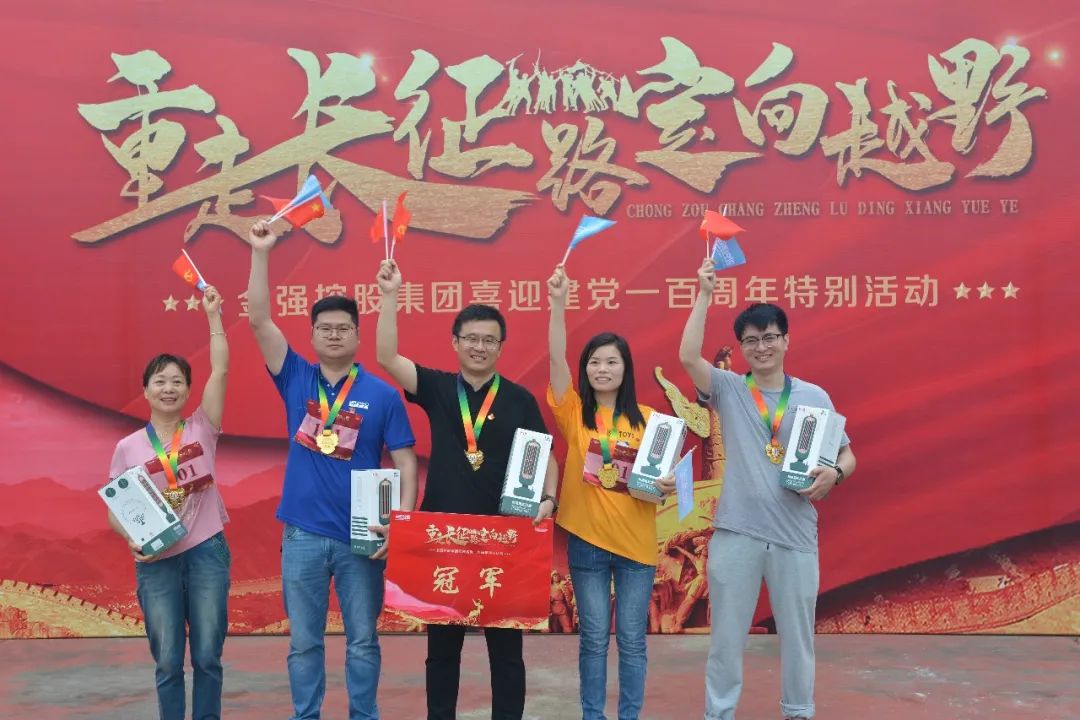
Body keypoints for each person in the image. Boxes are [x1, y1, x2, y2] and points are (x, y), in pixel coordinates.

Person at [246, 220, 418, 720]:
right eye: (326, 328)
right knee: (304, 643)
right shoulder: (295, 377)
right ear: (314, 334)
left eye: (344, 328)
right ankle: (307, 714)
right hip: (302, 534)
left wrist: (402, 522)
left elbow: (405, 460)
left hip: (362, 538)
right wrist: (261, 253)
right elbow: (258, 320)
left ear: (358, 335)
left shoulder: (383, 395)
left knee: (363, 640)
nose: (335, 334)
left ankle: (364, 714)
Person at [375, 258, 559, 720]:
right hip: (445, 539)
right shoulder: (437, 388)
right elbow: (387, 357)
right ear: (455, 342)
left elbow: (547, 457)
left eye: (489, 340)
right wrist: (391, 296)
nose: (480, 347)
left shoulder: (519, 399)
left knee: (507, 652)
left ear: (501, 346)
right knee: (442, 651)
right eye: (471, 338)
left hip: (503, 541)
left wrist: (549, 499)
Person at [679, 258, 856, 720]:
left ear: (786, 340)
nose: (761, 347)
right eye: (751, 340)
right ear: (741, 347)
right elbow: (688, 357)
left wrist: (835, 475)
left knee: (797, 636)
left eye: (770, 337)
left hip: (795, 536)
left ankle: (798, 711)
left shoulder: (814, 397)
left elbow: (847, 454)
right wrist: (704, 294)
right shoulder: (728, 389)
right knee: (726, 638)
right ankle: (719, 713)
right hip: (737, 534)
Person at [546, 264, 673, 720]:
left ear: (625, 368)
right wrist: (558, 304)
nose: (602, 369)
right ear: (586, 369)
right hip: (588, 543)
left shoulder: (649, 420)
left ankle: (629, 715)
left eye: (611, 361)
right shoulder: (573, 412)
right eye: (595, 362)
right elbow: (556, 361)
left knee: (633, 641)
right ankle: (592, 715)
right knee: (595, 639)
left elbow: (660, 482)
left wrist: (666, 484)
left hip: (637, 547)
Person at [107, 285, 231, 720]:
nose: (169, 388)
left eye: (177, 381)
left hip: (206, 551)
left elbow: (220, 370)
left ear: (188, 390)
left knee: (208, 655)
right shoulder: (128, 447)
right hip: (156, 560)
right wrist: (131, 539)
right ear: (145, 390)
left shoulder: (202, 427)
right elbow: (116, 509)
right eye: (160, 381)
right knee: (167, 660)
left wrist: (214, 317)